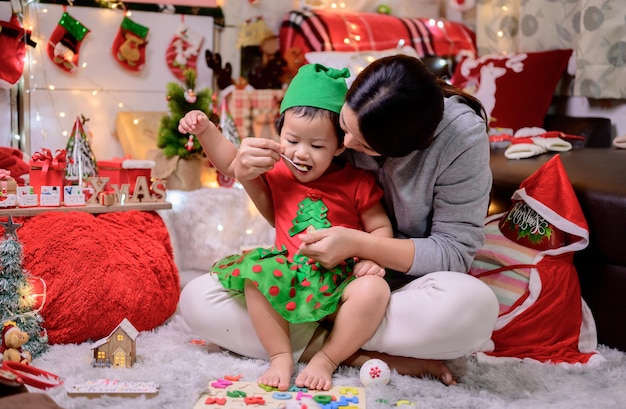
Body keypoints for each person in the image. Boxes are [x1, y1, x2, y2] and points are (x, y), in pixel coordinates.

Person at [179, 55, 500, 386]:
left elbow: (453, 251)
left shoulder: (458, 139)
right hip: (301, 282)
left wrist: (362, 246)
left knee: (474, 307)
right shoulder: (334, 101)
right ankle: (356, 353)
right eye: (344, 129)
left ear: (408, 147)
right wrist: (245, 171)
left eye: (360, 144)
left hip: (381, 285)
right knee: (197, 299)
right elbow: (281, 208)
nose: (346, 146)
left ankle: (326, 343)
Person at [178, 64, 393, 391]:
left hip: (341, 275)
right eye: (292, 139)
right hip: (289, 272)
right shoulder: (277, 169)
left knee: (375, 291)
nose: (301, 153)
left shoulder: (357, 182)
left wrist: (373, 260)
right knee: (256, 277)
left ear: (339, 146)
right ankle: (280, 356)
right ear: (280, 133)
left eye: (317, 146)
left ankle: (329, 358)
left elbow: (379, 228)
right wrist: (205, 129)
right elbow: (231, 163)